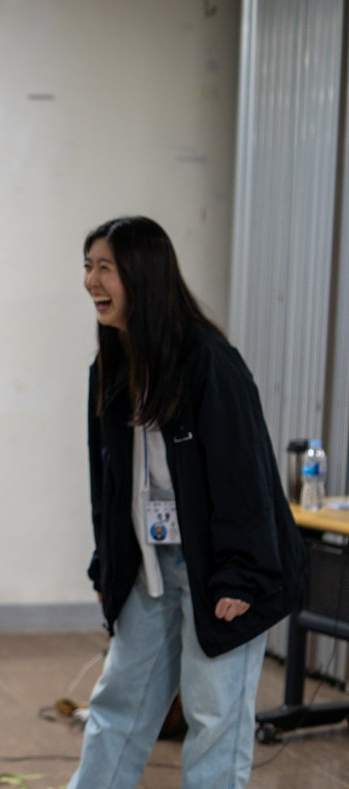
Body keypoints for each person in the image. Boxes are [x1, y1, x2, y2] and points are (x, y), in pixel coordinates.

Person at [71, 216, 306, 788]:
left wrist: (241, 576)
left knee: (214, 716)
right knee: (118, 703)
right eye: (88, 266)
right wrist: (108, 564)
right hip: (150, 566)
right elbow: (108, 483)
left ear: (143, 274)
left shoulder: (208, 362)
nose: (91, 280)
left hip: (222, 571)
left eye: (105, 267)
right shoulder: (112, 365)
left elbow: (245, 477)